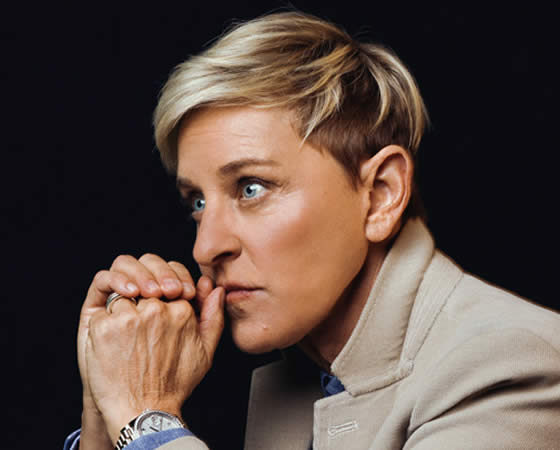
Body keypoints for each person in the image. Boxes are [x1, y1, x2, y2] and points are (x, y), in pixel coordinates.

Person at [65, 11, 560, 450]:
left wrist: (146, 421)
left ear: (381, 195)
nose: (206, 246)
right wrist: (104, 413)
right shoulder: (300, 374)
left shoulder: (509, 365)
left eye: (251, 188)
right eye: (197, 201)